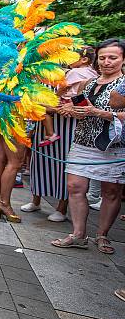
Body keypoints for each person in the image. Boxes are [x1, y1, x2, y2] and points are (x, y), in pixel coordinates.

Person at [52, 39, 125, 254]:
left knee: (111, 192)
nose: (106, 62)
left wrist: (100, 113)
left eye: (113, 57)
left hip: (112, 145)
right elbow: (77, 106)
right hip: (83, 141)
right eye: (102, 57)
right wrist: (69, 110)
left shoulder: (123, 84)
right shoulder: (88, 83)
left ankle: (102, 235)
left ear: (123, 59)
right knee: (75, 187)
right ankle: (78, 234)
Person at [22, 46, 97, 222]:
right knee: (39, 162)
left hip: (69, 123)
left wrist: (66, 104)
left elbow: (83, 98)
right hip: (46, 121)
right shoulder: (40, 73)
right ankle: (36, 199)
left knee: (64, 166)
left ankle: (61, 208)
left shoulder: (80, 74)